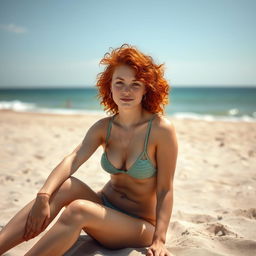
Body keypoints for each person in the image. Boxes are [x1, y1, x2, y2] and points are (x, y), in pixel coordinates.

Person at [0, 44, 178, 256]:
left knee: (78, 209)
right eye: (119, 83)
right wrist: (43, 196)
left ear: (147, 88)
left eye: (135, 84)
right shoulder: (104, 127)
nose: (126, 91)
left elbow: (165, 189)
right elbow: (74, 158)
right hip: (104, 208)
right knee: (66, 185)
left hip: (140, 226)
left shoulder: (160, 129)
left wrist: (159, 240)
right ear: (109, 87)